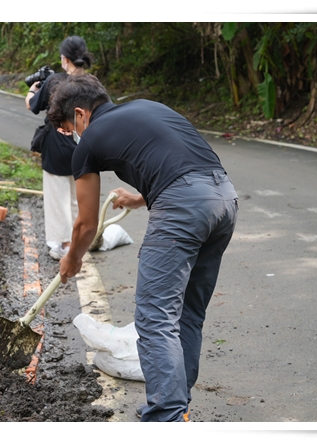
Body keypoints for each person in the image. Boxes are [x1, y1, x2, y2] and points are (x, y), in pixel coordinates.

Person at [47, 74, 239, 422]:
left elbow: (86, 224)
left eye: (66, 128)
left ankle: (165, 415)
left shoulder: (89, 142)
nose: (70, 137)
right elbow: (183, 164)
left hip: (182, 207)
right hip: (224, 199)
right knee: (187, 313)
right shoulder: (148, 107)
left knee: (155, 318)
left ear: (80, 115)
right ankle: (176, 404)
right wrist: (139, 197)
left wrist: (71, 259)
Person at [25, 36, 94, 260]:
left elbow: (32, 106)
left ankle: (63, 245)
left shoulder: (55, 81)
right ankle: (78, 242)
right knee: (77, 198)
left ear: (64, 59)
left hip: (57, 148)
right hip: (84, 147)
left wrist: (33, 90)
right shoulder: (92, 84)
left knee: (57, 198)